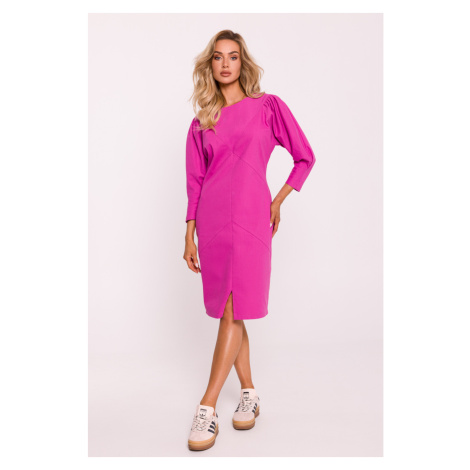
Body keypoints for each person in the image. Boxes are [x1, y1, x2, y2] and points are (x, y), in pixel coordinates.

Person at [183, 30, 316, 451]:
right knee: (232, 309)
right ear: (210, 65)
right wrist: (189, 232)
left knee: (232, 309)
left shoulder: (267, 107)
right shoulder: (201, 122)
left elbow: (305, 156)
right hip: (212, 223)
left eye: (233, 56)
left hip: (251, 220)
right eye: (218, 57)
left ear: (243, 63)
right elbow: (195, 181)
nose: (225, 64)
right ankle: (249, 393)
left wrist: (278, 200)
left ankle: (207, 407)